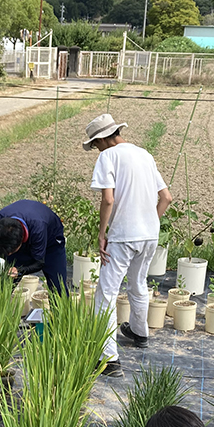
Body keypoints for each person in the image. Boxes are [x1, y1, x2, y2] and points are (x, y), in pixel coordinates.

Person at [84, 113, 173, 378]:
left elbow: (108, 200)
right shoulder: (145, 155)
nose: (96, 149)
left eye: (96, 144)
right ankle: (140, 333)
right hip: (149, 235)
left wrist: (102, 234)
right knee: (138, 283)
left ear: (103, 139)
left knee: (106, 294)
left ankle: (109, 360)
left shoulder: (108, 157)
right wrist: (148, 224)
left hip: (123, 236)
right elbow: (166, 197)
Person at [0, 199, 68, 292]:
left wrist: (18, 270)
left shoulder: (38, 227)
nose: (9, 254)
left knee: (58, 287)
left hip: (51, 242)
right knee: (1, 286)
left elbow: (39, 263)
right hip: (19, 236)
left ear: (21, 241)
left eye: (11, 251)